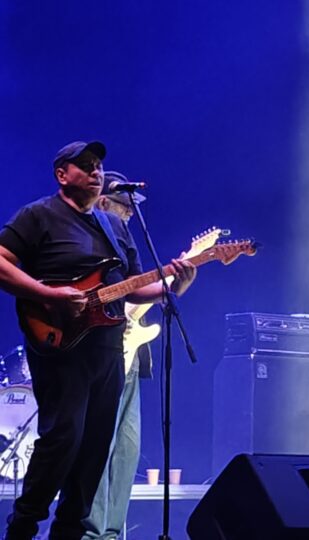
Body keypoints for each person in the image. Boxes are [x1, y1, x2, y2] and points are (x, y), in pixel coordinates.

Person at [0, 141, 196, 540]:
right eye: (86, 165)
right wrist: (48, 294)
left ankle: (69, 533)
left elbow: (131, 288)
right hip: (60, 344)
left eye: (99, 166)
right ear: (62, 174)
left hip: (107, 348)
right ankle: (22, 527)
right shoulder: (38, 215)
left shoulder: (115, 226)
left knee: (95, 448)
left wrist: (173, 286)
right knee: (63, 438)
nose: (96, 171)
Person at [82, 171, 151, 540]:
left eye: (132, 208)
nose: (129, 214)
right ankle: (91, 533)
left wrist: (176, 283)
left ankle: (111, 533)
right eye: (125, 206)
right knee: (99, 445)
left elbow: (136, 291)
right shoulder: (86, 236)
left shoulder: (125, 241)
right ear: (104, 201)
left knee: (128, 449)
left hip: (129, 354)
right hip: (99, 352)